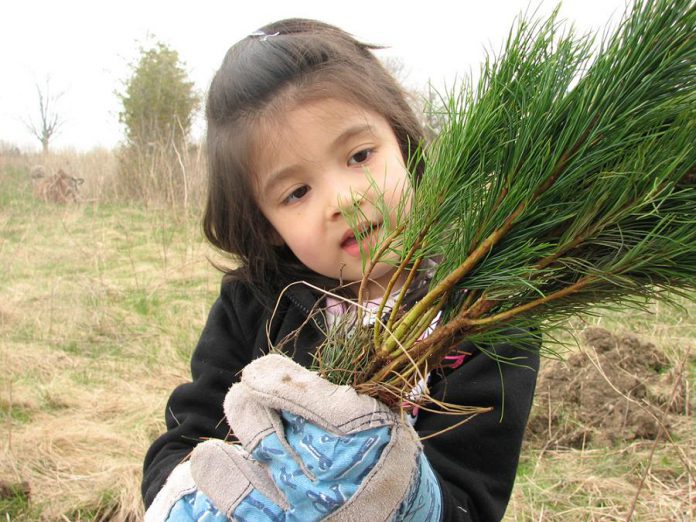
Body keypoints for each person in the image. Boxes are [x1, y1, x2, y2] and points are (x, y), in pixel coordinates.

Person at [142, 18, 539, 521]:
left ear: (403, 143)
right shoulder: (254, 306)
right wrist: (190, 503)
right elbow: (184, 440)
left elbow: (472, 496)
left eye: (359, 155)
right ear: (266, 226)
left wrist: (405, 498)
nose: (346, 199)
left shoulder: (484, 305)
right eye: (297, 192)